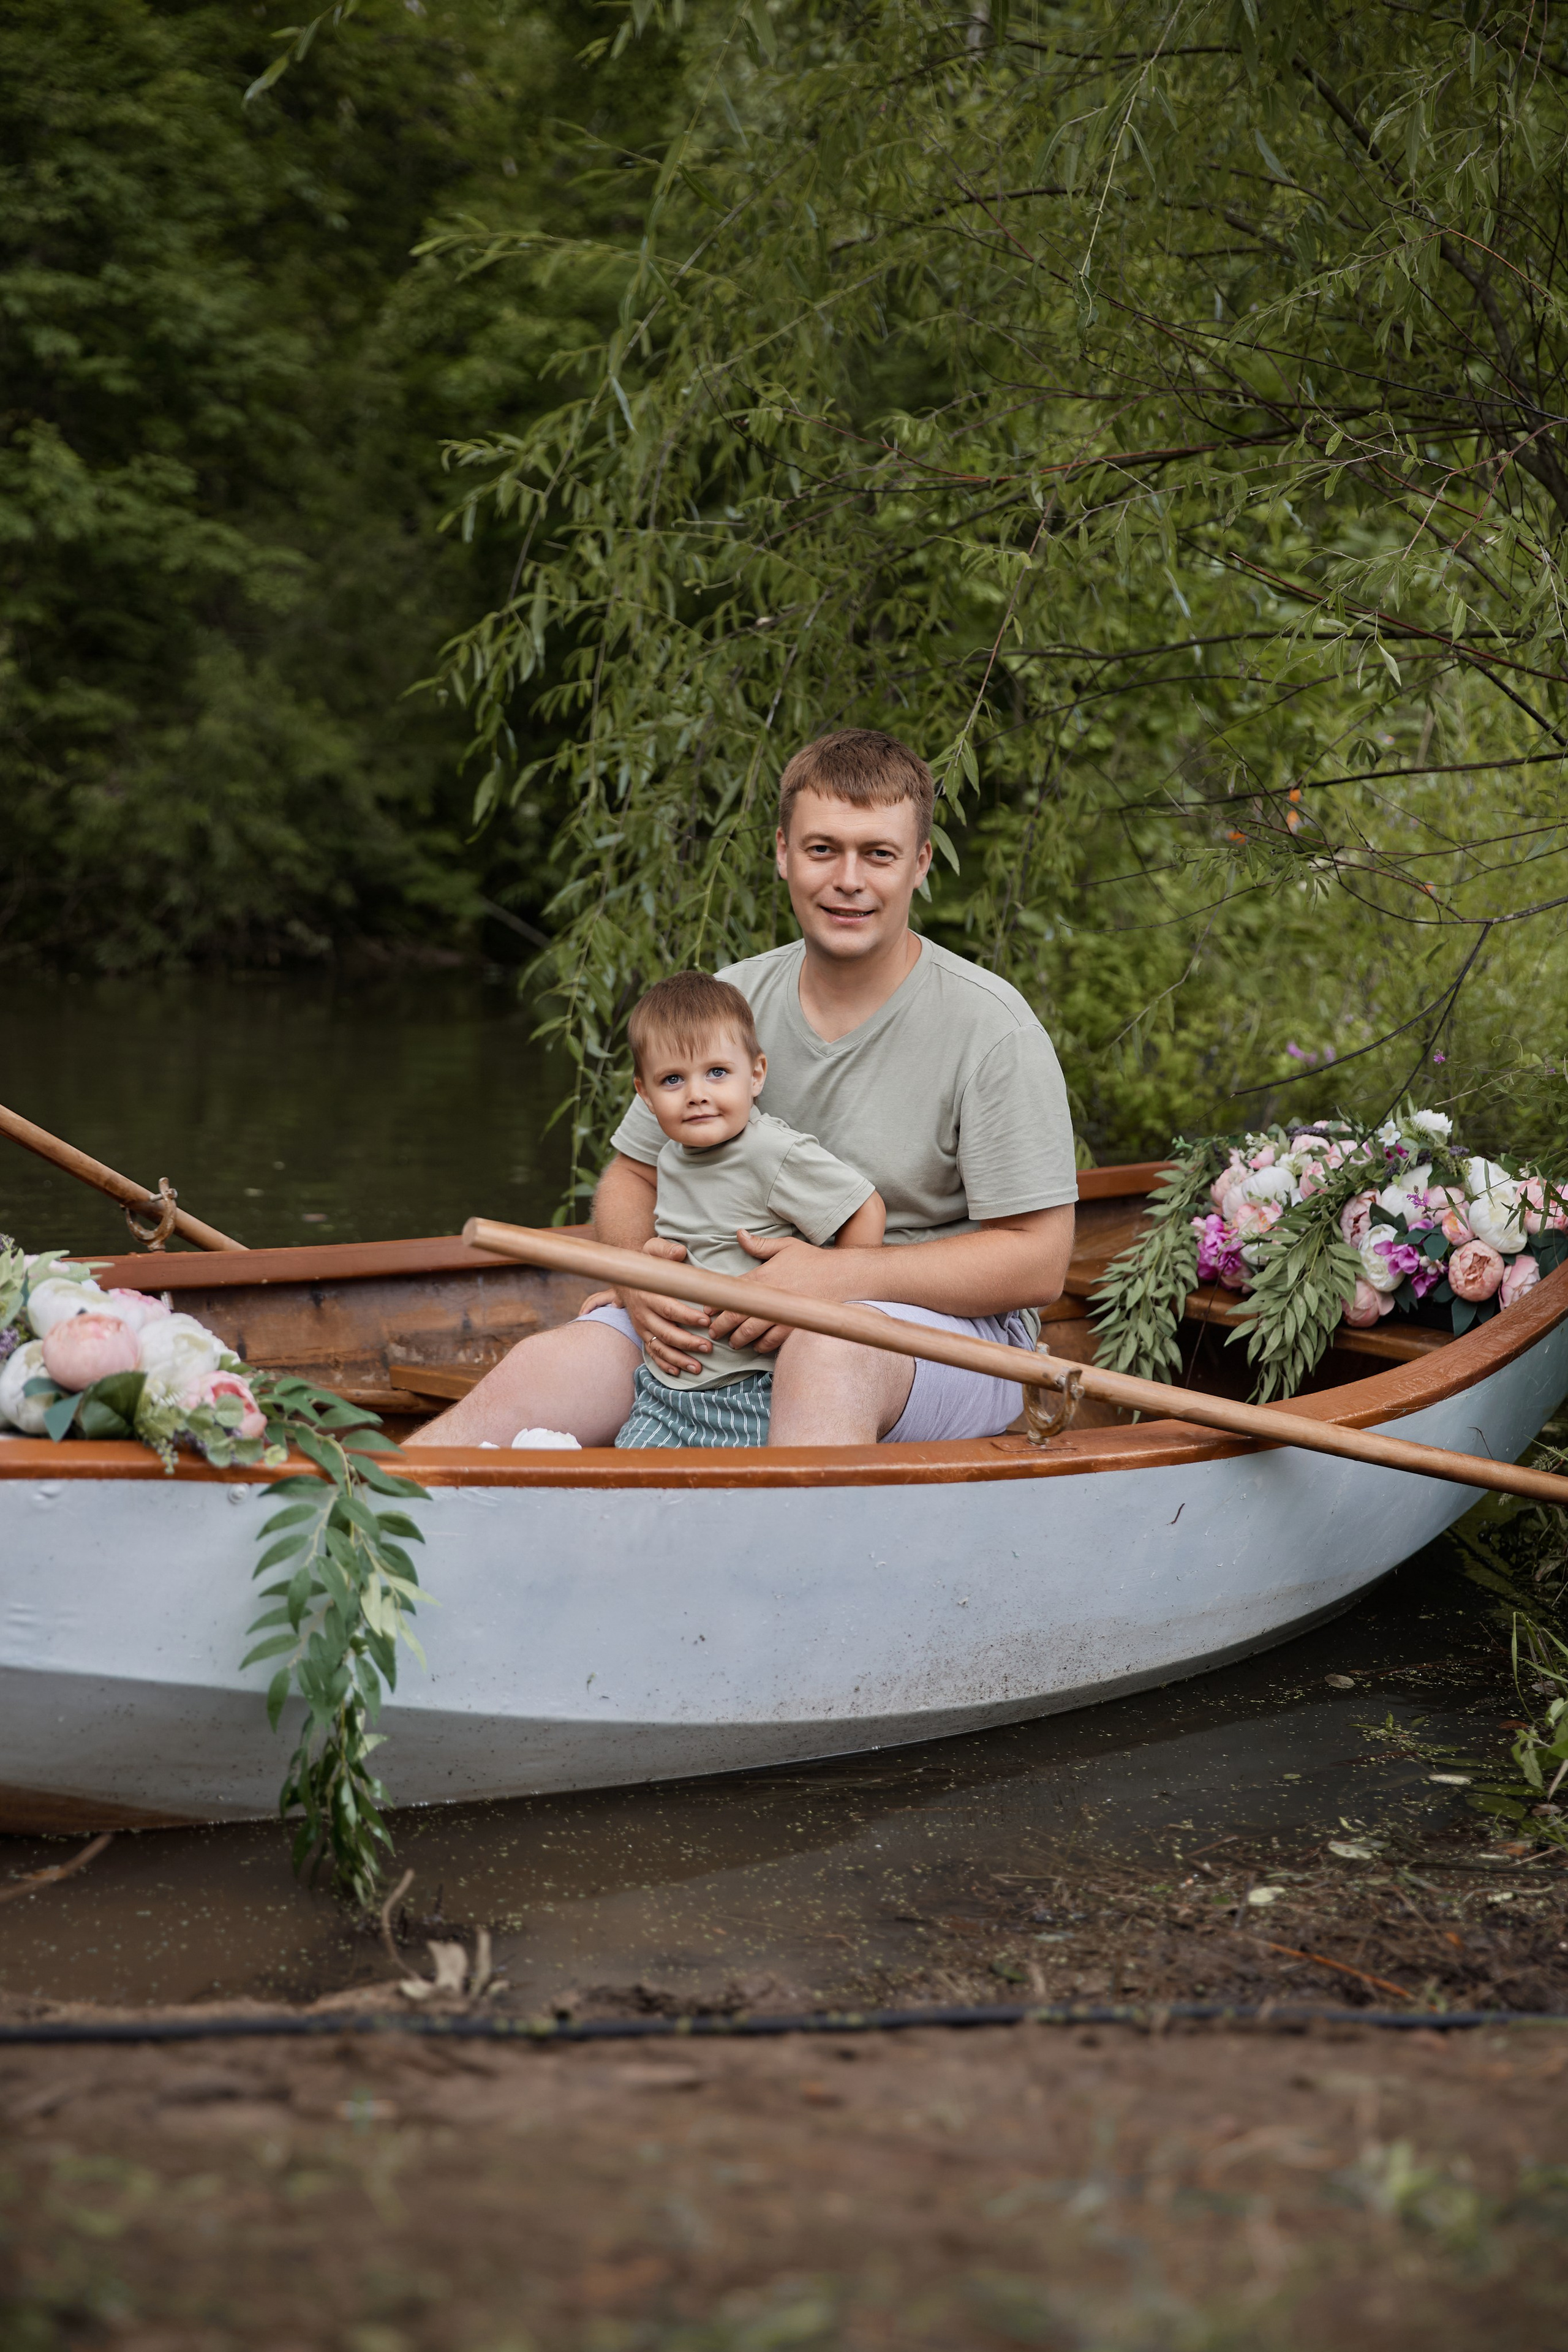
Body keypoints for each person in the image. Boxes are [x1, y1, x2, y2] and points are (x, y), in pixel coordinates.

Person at [408, 727, 1079, 1451]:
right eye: (823, 849)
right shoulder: (730, 1000)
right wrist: (637, 1271)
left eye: (877, 854)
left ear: (919, 865)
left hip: (942, 1337)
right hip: (721, 1303)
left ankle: (784, 1560)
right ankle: (367, 1530)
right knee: (547, 1365)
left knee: (826, 1355)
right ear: (783, 853)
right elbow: (630, 1175)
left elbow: (1037, 1261)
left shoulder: (992, 1028)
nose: (848, 879)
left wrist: (834, 1282)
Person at [611, 968, 886, 1447]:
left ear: (755, 1074)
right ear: (646, 1096)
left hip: (751, 1389)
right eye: (673, 1079)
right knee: (633, 1497)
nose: (697, 1094)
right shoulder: (671, 1156)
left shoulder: (770, 1151)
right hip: (665, 1390)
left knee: (745, 1506)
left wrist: (837, 1297)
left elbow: (865, 1208)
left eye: (717, 1073)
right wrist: (624, 1282)